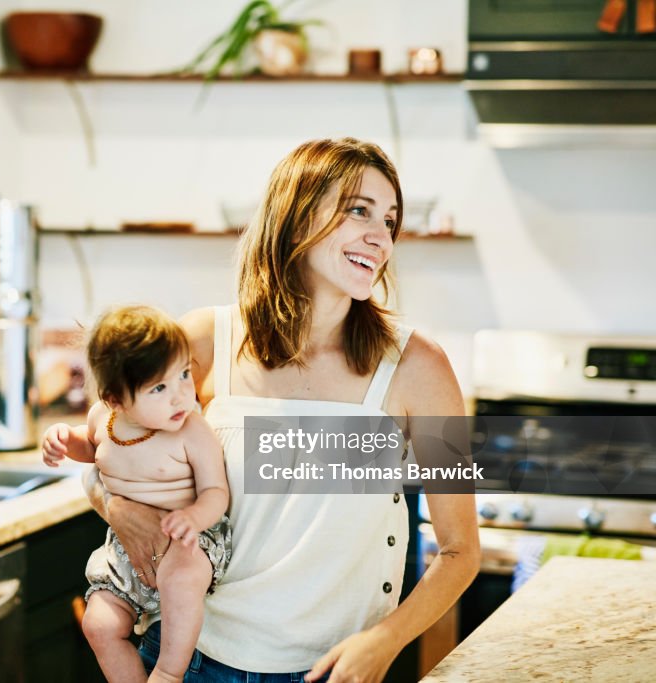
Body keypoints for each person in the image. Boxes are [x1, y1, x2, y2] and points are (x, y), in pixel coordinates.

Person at [83, 138, 481, 683]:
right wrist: (115, 507)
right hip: (189, 661)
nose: (380, 237)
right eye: (358, 210)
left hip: (330, 670)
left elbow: (460, 551)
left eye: (389, 221)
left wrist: (384, 642)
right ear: (295, 221)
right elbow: (103, 445)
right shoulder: (205, 341)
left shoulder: (419, 366)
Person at [41, 305, 231, 683]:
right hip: (127, 548)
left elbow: (216, 492)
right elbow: (90, 447)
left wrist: (192, 518)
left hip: (193, 541)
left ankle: (169, 672)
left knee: (180, 580)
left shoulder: (193, 432)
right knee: (98, 623)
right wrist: (62, 438)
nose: (181, 395)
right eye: (159, 388)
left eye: (184, 374)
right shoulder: (103, 419)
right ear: (115, 400)